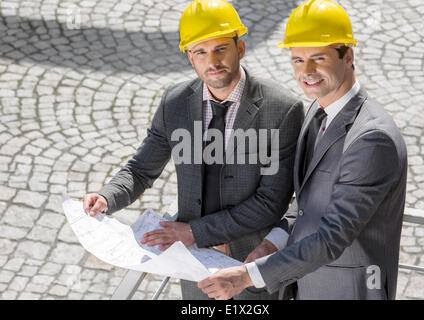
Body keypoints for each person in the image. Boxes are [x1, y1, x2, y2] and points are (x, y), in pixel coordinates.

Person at [82, 0, 304, 300]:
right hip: (193, 269)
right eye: (200, 51)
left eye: (220, 49)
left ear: (240, 47)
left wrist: (193, 233)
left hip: (250, 267)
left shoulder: (282, 109)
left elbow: (271, 202)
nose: (212, 61)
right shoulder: (175, 103)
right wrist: (107, 196)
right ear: (190, 57)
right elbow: (141, 169)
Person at [198, 0, 407, 300]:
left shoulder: (372, 139)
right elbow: (307, 203)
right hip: (304, 287)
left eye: (318, 58)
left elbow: (332, 237)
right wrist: (273, 242)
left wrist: (247, 276)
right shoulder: (316, 112)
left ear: (347, 56)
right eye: (297, 60)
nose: (306, 71)